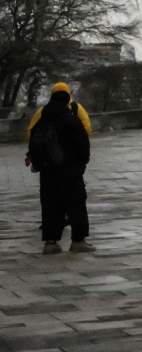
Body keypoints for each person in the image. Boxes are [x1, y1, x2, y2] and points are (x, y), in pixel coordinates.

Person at [28, 83, 93, 253]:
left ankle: (50, 243)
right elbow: (83, 145)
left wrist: (39, 163)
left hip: (48, 171)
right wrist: (81, 164)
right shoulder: (71, 120)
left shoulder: (43, 119)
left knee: (50, 206)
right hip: (70, 171)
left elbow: (33, 141)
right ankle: (78, 241)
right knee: (76, 205)